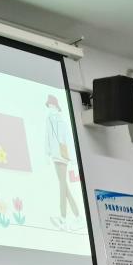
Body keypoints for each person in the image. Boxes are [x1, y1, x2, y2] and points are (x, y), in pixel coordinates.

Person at [44, 95, 80, 230]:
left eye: (52, 105)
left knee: (62, 185)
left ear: (56, 106)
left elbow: (68, 140)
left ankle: (63, 217)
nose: (50, 107)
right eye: (49, 105)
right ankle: (77, 216)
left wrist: (73, 159)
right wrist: (47, 154)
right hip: (55, 156)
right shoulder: (49, 120)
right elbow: (47, 137)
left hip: (62, 156)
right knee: (64, 186)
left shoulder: (61, 121)